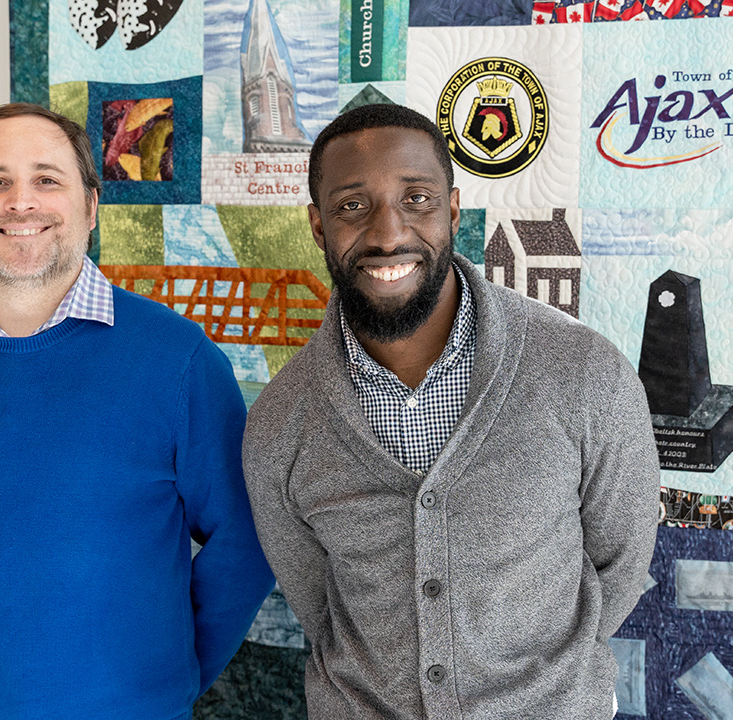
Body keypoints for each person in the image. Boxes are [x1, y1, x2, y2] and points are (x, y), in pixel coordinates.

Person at [0, 102, 274, 719]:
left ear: (91, 207)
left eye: (47, 180)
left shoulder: (178, 361)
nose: (20, 203)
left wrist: (162, 680)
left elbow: (244, 545)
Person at [242, 103, 659, 719]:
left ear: (454, 210)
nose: (387, 234)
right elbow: (315, 599)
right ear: (317, 225)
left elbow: (620, 563)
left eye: (417, 200)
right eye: (353, 205)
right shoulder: (279, 423)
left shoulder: (583, 373)